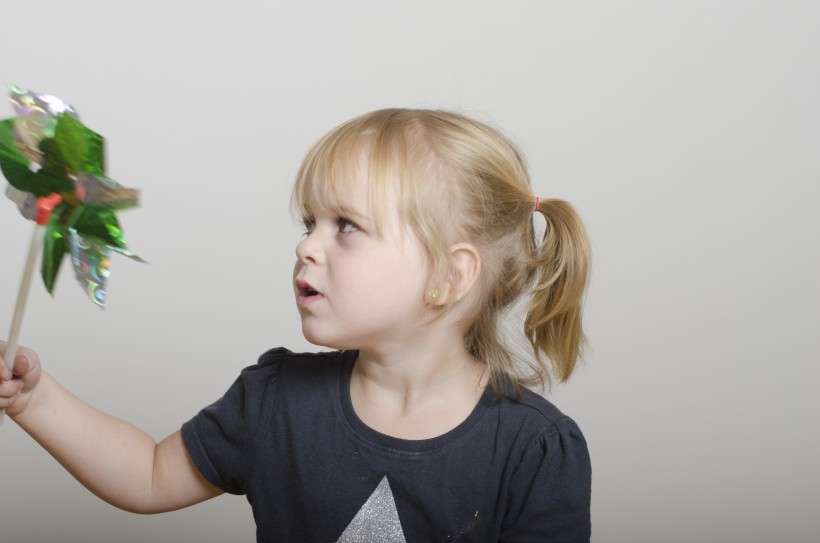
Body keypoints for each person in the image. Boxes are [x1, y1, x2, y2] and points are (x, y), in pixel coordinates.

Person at [0, 109, 592, 541]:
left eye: (347, 226)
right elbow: (148, 474)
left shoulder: (534, 448)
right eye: (310, 222)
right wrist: (35, 400)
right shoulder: (274, 400)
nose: (307, 246)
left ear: (449, 276)